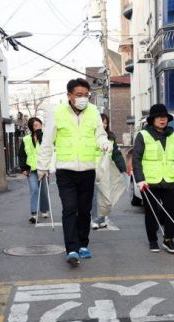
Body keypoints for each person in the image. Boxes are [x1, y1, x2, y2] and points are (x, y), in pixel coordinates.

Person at [37, 78, 109, 267]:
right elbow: (47, 141)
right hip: (65, 170)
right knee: (70, 209)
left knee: (84, 210)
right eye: (79, 95)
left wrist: (103, 143)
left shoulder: (93, 112)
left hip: (87, 169)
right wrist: (42, 167)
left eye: (86, 95)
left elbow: (100, 134)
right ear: (69, 96)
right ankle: (72, 249)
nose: (83, 99)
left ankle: (83, 244)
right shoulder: (57, 112)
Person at [132, 103, 174, 254]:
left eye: (164, 117)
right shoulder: (143, 136)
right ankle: (152, 240)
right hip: (149, 182)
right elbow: (136, 159)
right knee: (151, 212)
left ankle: (168, 240)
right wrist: (140, 179)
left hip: (171, 180)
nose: (162, 120)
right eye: (158, 117)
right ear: (152, 120)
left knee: (171, 210)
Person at [91, 113, 127, 229]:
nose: (104, 125)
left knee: (105, 196)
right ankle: (95, 219)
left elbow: (116, 154)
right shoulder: (92, 137)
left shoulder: (111, 138)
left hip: (107, 171)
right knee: (95, 196)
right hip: (93, 169)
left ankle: (101, 219)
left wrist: (123, 169)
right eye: (102, 122)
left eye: (106, 123)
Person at [18, 117, 49, 223]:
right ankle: (34, 214)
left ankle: (44, 210)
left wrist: (40, 134)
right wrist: (23, 168)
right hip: (31, 169)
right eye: (35, 125)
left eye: (39, 124)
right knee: (34, 190)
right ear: (31, 127)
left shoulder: (45, 137)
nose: (38, 127)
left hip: (43, 168)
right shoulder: (26, 139)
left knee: (43, 191)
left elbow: (48, 151)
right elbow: (22, 155)